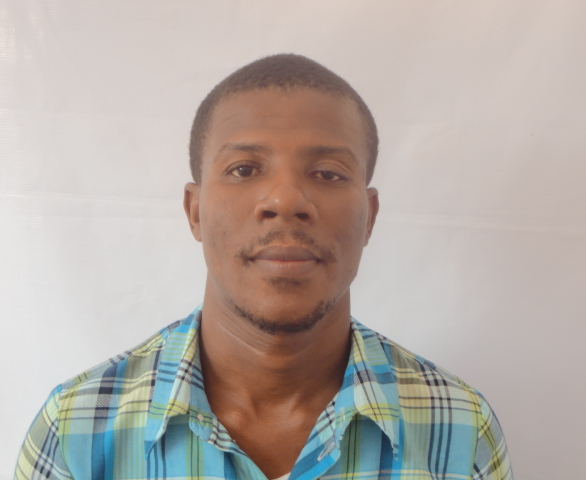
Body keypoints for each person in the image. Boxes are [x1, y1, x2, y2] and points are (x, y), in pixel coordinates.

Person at [15, 54, 513, 480]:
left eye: (327, 173)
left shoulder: (460, 429)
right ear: (195, 212)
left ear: (370, 217)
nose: (285, 199)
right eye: (244, 169)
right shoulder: (76, 430)